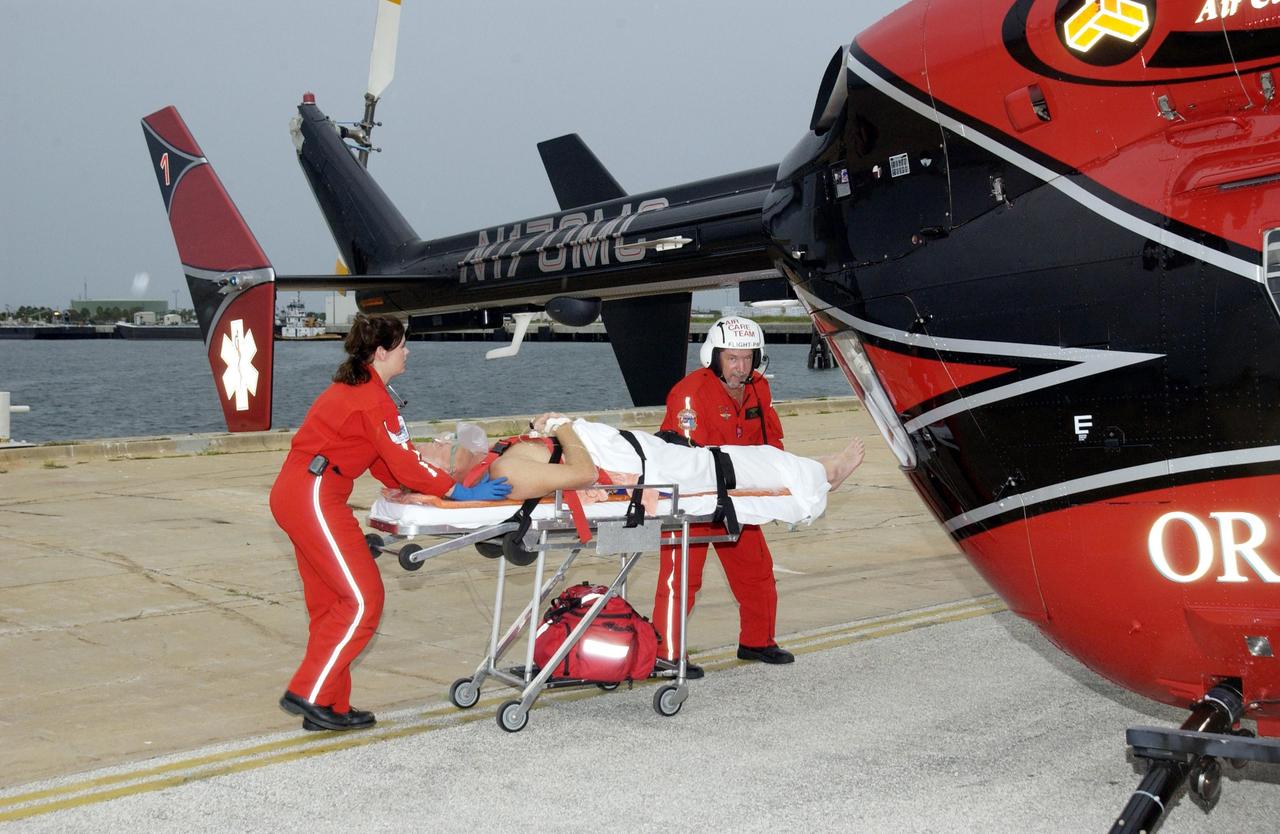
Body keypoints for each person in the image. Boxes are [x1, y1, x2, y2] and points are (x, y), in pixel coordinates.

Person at [270, 314, 512, 732]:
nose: (408, 351)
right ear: (381, 352)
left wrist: (408, 487)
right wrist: (457, 491)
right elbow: (402, 459)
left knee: (332, 605)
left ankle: (327, 705)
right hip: (314, 495)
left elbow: (383, 459)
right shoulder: (371, 398)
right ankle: (309, 692)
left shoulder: (362, 389)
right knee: (363, 601)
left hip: (303, 490)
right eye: (402, 345)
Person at [652, 315, 789, 676]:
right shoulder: (689, 393)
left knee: (757, 572)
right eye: (732, 358)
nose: (740, 367)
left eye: (748, 359)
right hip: (694, 500)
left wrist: (772, 488)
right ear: (714, 357)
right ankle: (666, 655)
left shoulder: (760, 388)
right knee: (681, 579)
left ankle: (757, 641)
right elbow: (685, 455)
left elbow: (772, 441)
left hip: (739, 499)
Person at [411, 415, 864, 523]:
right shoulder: (507, 475)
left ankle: (818, 476)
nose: (443, 440)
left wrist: (545, 426)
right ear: (451, 468)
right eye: (436, 448)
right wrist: (566, 428)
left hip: (624, 450)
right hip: (627, 467)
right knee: (729, 463)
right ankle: (821, 478)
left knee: (723, 457)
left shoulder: (497, 457)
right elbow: (584, 475)